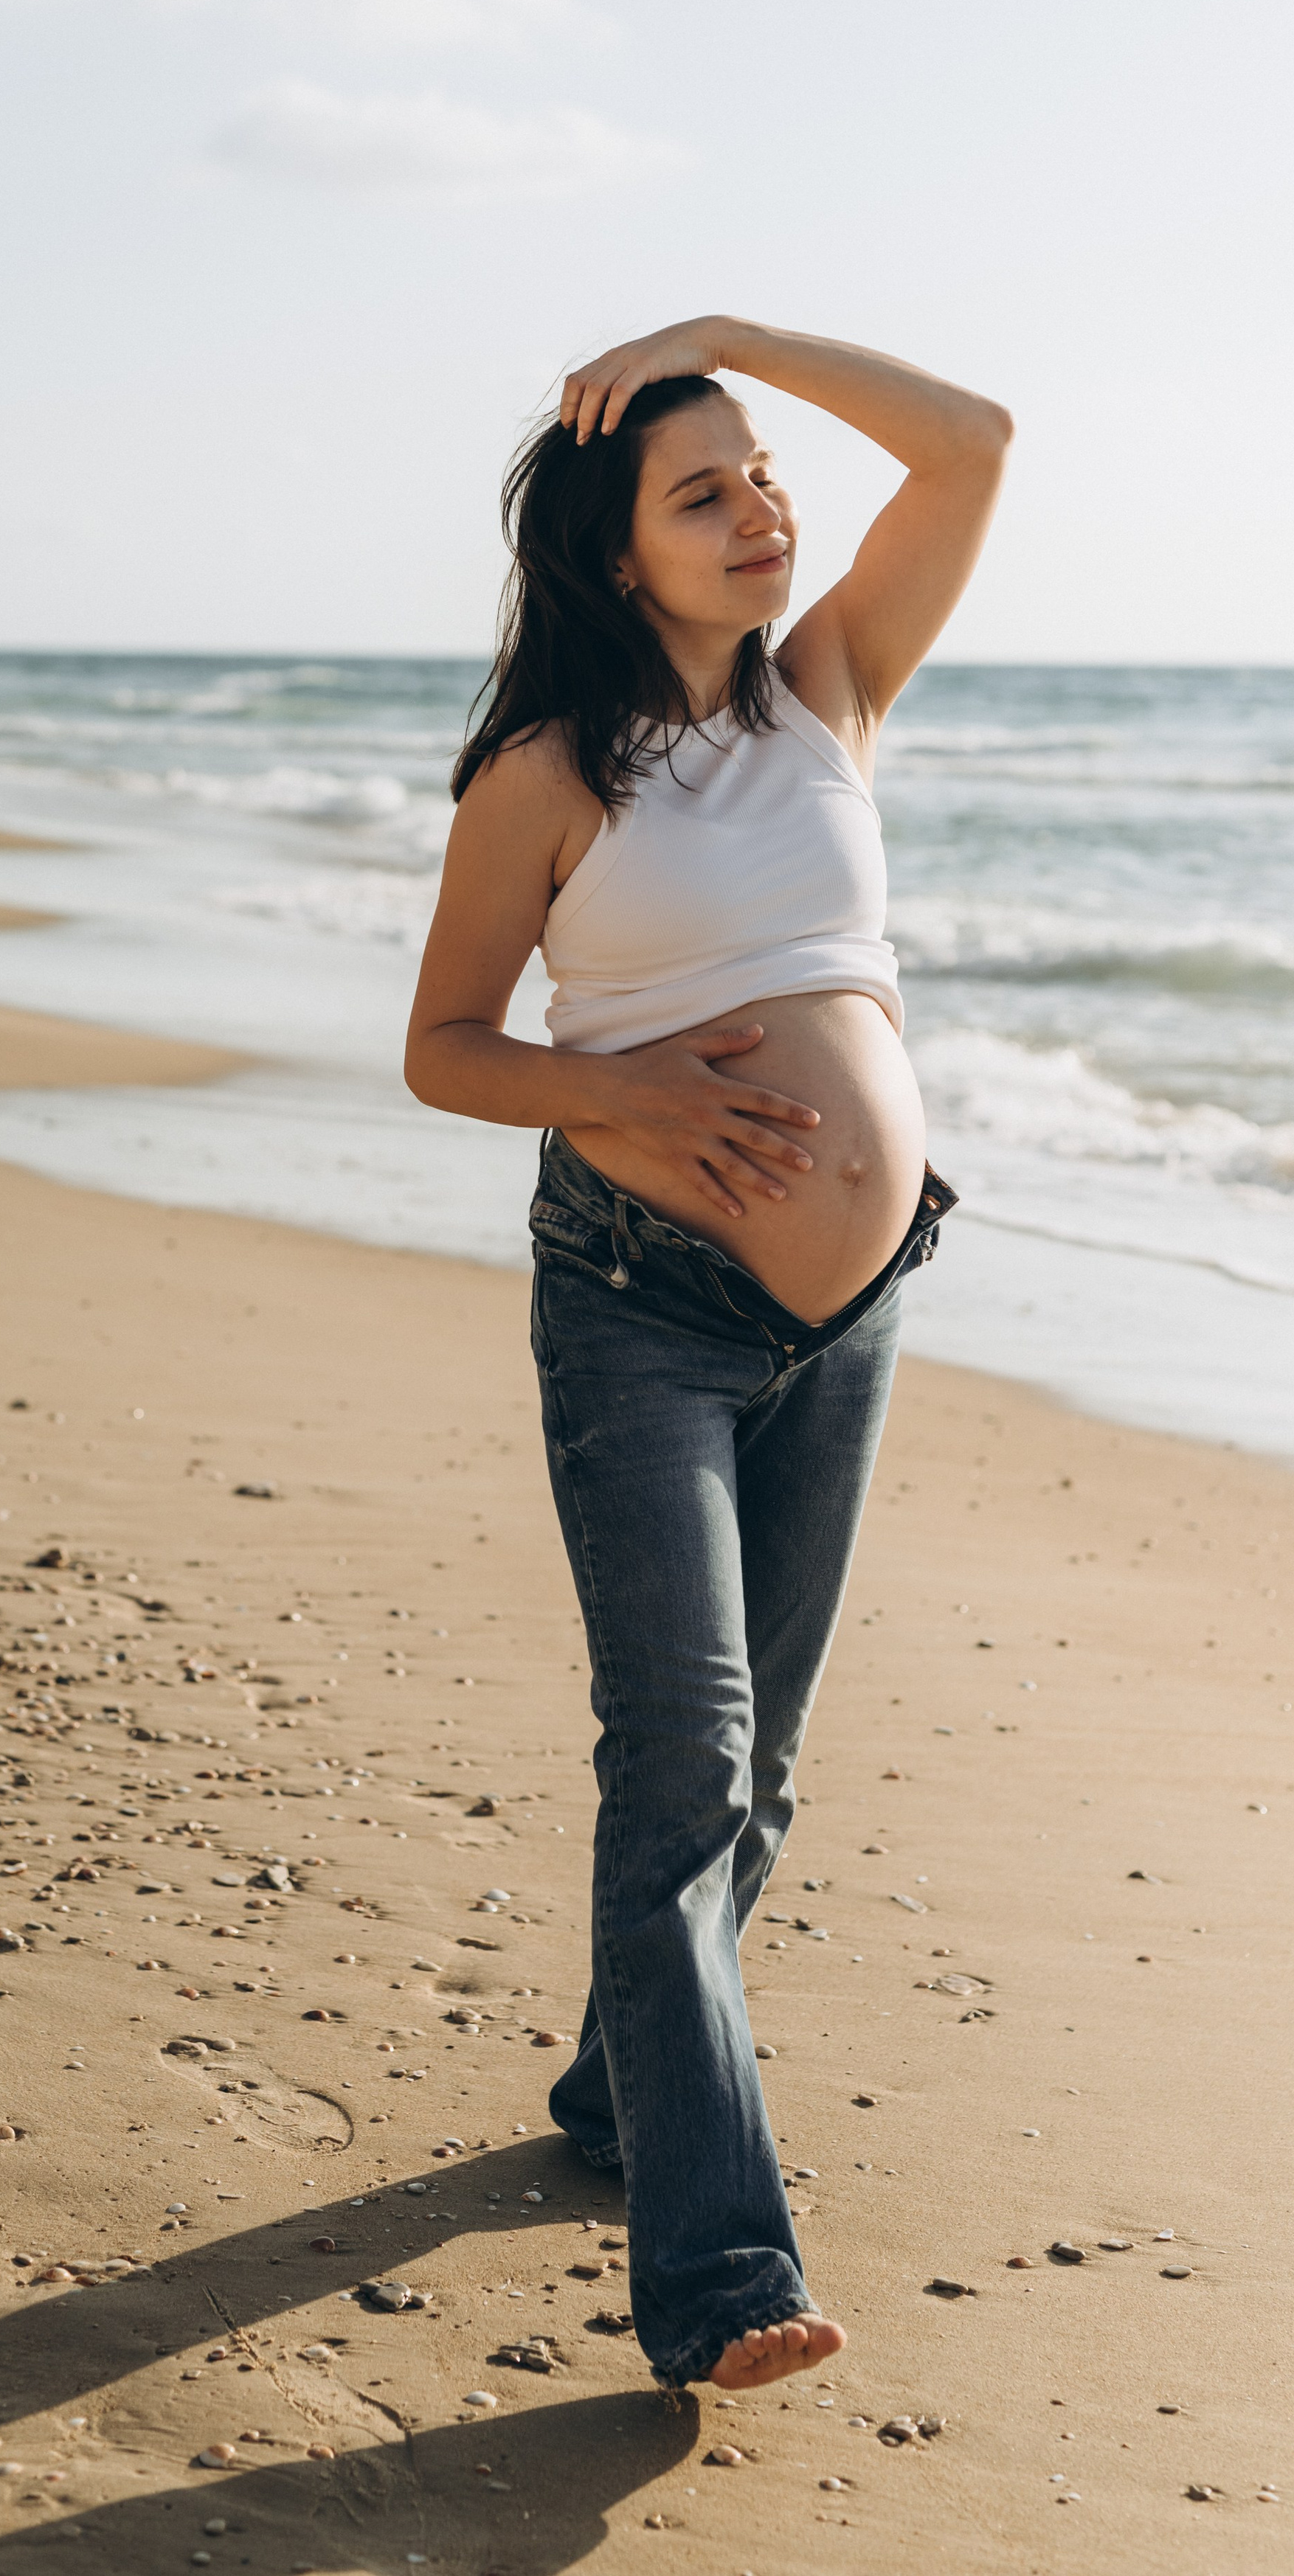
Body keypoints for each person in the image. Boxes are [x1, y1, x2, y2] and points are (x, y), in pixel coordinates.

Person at [405, 316, 1011, 2392]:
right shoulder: (550, 773)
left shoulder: (833, 688)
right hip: (641, 1309)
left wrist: (731, 338)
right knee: (681, 1761)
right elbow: (446, 1045)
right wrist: (637, 1085)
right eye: (705, 489)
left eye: (762, 476)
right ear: (616, 552)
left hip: (854, 1311)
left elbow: (975, 441)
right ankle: (720, 2273)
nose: (762, 509)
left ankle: (613, 2083)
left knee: (755, 1782)